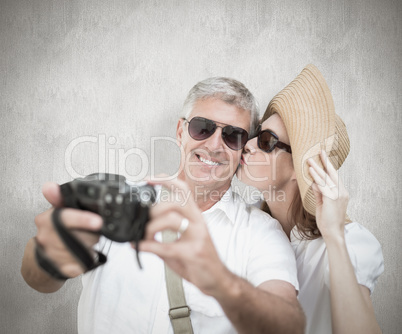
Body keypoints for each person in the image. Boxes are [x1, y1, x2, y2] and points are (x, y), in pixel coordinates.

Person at [21, 77, 305, 333]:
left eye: (233, 136)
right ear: (181, 131)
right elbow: (36, 279)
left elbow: (289, 324)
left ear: (244, 147)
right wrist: (51, 256)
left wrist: (222, 282)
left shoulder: (261, 232)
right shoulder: (114, 199)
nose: (215, 146)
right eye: (202, 128)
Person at [237, 64, 384, 334]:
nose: (248, 144)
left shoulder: (347, 241)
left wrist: (334, 236)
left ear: (301, 168)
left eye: (267, 141)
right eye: (257, 133)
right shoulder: (242, 222)